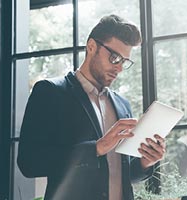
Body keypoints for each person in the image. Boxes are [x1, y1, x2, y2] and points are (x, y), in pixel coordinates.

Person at [17, 15, 166, 200]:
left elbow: (122, 174)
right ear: (91, 47)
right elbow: (29, 163)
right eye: (114, 58)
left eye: (124, 62)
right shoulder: (50, 92)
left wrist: (146, 161)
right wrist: (96, 148)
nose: (119, 68)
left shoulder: (122, 105)